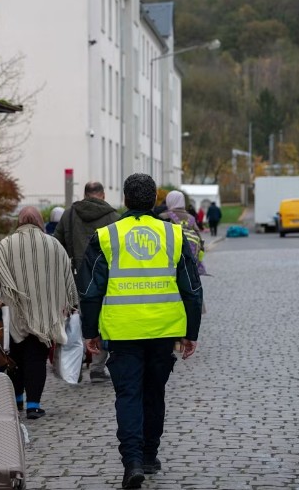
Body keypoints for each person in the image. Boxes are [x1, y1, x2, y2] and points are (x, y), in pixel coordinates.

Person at [79, 174, 203, 489]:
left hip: (122, 331)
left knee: (129, 395)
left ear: (124, 199)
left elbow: (91, 290)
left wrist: (90, 331)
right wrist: (191, 332)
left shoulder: (107, 236)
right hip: (164, 330)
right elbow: (191, 288)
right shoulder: (174, 235)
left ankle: (132, 460)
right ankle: (150, 455)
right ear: (152, 200)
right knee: (154, 393)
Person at [0, 207, 78, 420]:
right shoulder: (54, 244)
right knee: (36, 358)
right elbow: (67, 276)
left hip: (13, 312)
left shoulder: (6, 244)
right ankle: (34, 405)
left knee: (14, 357)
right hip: (45, 314)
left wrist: (5, 281)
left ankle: (17, 399)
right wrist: (71, 303)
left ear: (19, 222)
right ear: (39, 222)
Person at [53, 181, 119, 382]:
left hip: (74, 277)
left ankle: (75, 365)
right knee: (102, 321)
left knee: (75, 322)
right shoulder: (113, 217)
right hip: (104, 277)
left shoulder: (70, 214)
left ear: (84, 194)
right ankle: (98, 367)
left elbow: (57, 245)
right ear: (103, 195)